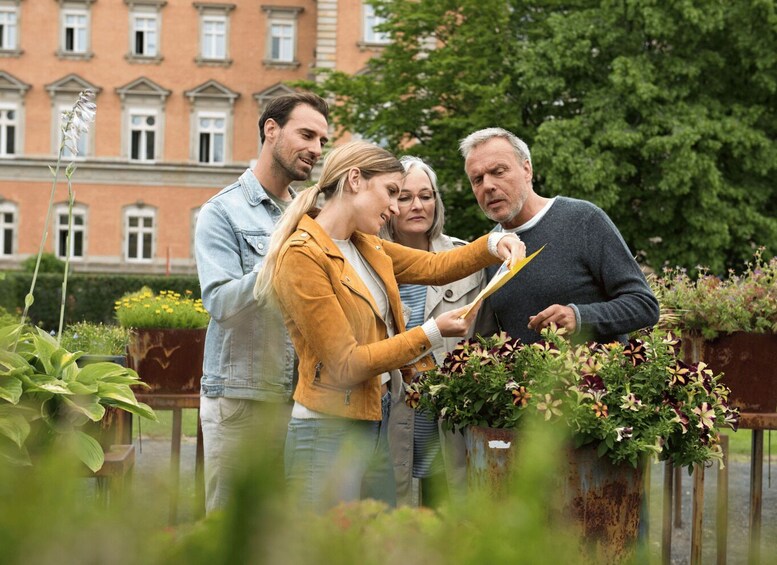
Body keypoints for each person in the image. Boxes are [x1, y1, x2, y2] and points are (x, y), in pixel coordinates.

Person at [253, 140, 525, 512]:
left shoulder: (364, 245)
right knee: (327, 547)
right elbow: (346, 364)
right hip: (327, 428)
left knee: (373, 540)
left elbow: (435, 266)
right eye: (392, 192)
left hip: (373, 416)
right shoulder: (303, 256)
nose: (396, 207)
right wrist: (432, 333)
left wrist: (497, 242)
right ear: (354, 180)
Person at [195, 92, 329, 513]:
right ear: (271, 130)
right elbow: (220, 302)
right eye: (306, 134)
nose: (316, 149)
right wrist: (280, 260)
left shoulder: (308, 216)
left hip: (301, 400)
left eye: (323, 140)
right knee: (233, 534)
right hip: (242, 401)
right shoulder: (222, 211)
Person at [459, 127, 660, 344]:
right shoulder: (490, 250)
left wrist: (580, 317)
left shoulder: (583, 220)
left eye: (498, 171)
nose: (488, 185)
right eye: (477, 179)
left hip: (597, 376)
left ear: (527, 170)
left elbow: (644, 305)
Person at [380, 156, 482, 507]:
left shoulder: (464, 259)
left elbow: (480, 341)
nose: (417, 205)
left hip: (448, 418)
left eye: (426, 195)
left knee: (446, 517)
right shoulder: (367, 261)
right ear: (388, 202)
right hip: (390, 415)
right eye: (404, 196)